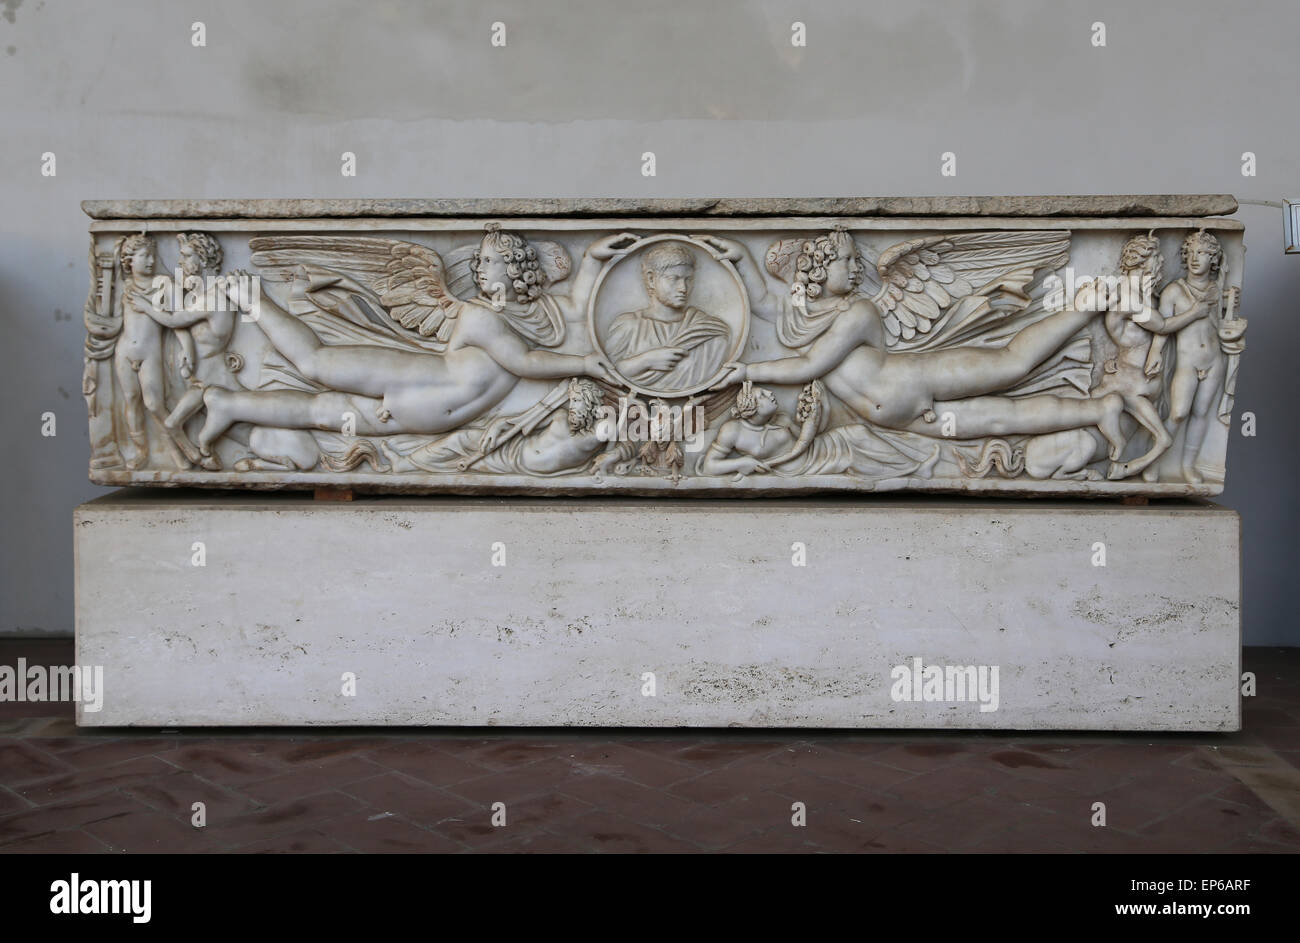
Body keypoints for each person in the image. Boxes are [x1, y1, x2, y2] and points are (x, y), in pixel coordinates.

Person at [605, 242, 731, 392]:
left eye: (688, 279)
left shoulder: (710, 330)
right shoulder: (629, 325)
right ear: (651, 279)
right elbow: (607, 372)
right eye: (673, 279)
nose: (683, 288)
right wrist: (645, 361)